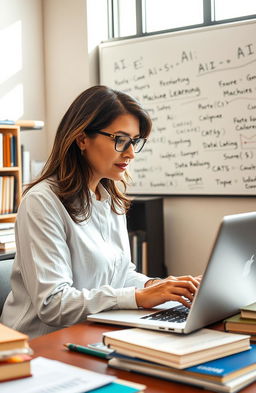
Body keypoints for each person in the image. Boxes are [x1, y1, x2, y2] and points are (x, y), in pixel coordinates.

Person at [1, 86, 200, 338]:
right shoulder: (42, 201)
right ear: (82, 138)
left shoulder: (109, 198)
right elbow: (52, 304)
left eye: (134, 141)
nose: (130, 153)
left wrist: (159, 286)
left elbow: (121, 274)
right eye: (120, 139)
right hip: (40, 344)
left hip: (91, 332)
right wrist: (139, 297)